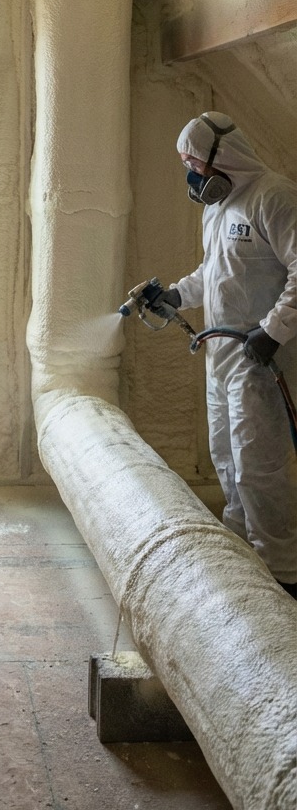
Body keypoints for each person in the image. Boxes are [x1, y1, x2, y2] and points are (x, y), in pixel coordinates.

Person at [148, 111, 297, 597]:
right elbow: (214, 272)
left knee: (259, 467)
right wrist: (176, 295)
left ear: (222, 158)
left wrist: (274, 330)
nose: (194, 177)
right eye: (187, 167)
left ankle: (283, 572)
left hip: (263, 361)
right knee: (226, 459)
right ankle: (241, 556)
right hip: (223, 356)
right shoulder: (219, 206)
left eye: (197, 166)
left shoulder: (273, 197)